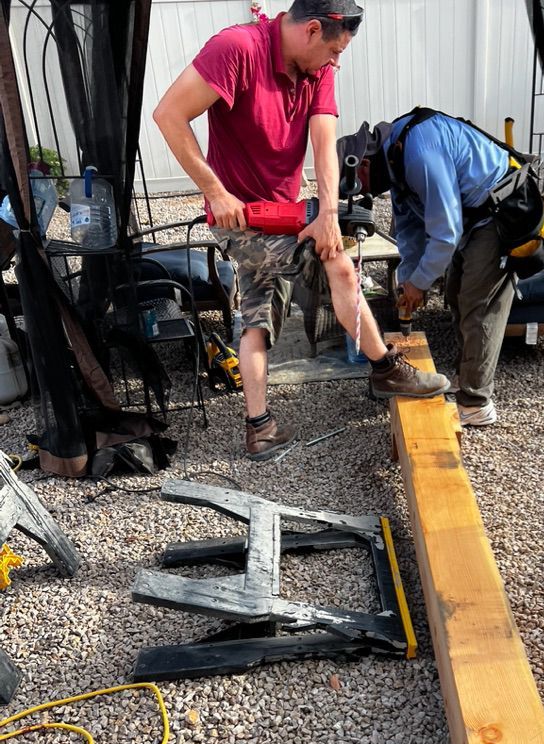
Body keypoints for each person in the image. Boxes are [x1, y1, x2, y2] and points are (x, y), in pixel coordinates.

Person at [153, 2, 449, 461]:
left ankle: (260, 428)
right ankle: (385, 368)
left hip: (282, 212)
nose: (336, 61)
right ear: (312, 29)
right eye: (334, 49)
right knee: (335, 259)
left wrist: (328, 211)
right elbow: (168, 115)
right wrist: (214, 191)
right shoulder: (237, 49)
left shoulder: (317, 71)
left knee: (257, 313)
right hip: (238, 220)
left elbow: (325, 143)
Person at [339, 110, 541, 428]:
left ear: (363, 164)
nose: (365, 193)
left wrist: (420, 284)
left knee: (478, 305)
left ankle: (477, 404)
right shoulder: (397, 160)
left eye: (359, 187)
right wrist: (407, 281)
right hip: (473, 215)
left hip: (504, 211)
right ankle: (467, 376)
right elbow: (409, 232)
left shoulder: (419, 153)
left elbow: (445, 234)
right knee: (456, 293)